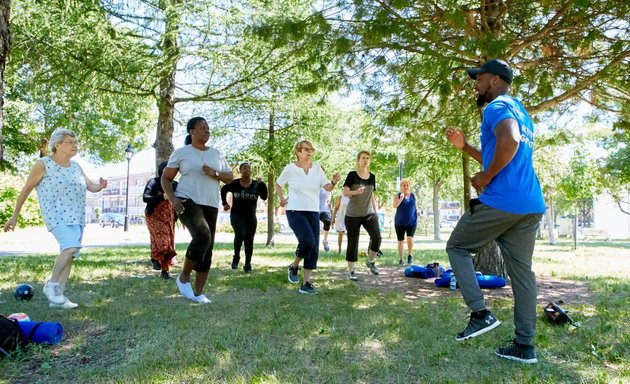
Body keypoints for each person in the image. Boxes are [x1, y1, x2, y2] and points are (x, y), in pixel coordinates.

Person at [445, 58, 545, 364]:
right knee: (522, 274)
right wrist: (465, 147)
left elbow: (509, 141)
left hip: (502, 200)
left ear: (495, 80)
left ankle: (481, 313)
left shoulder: (497, 106)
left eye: (480, 77)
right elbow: (503, 152)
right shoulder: (521, 112)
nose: (475, 82)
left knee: (458, 246)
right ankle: (524, 346)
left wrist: (485, 179)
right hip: (530, 205)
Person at [3, 129, 107, 309]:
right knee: (70, 247)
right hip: (56, 215)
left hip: (77, 216)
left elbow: (90, 185)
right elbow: (27, 189)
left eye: (75, 142)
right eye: (70, 142)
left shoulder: (76, 166)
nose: (75, 145)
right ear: (57, 145)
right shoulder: (43, 164)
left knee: (70, 255)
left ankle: (58, 299)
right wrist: (15, 215)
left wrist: (101, 186)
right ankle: (51, 286)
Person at [162, 117, 233, 304]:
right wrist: (173, 198)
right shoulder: (181, 153)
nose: (207, 131)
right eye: (202, 128)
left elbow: (229, 177)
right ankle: (184, 277)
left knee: (207, 248)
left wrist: (215, 173)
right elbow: (166, 178)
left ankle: (198, 293)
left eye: (208, 128)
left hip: (210, 203)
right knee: (203, 235)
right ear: (191, 131)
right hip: (186, 200)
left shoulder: (216, 154)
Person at [275, 140, 340, 294]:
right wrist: (281, 198)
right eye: (306, 149)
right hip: (295, 211)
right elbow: (278, 184)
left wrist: (334, 181)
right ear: (298, 152)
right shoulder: (290, 168)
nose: (309, 152)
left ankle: (306, 283)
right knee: (307, 241)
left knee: (313, 247)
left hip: (313, 211)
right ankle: (294, 265)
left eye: (311, 149)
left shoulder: (317, 169)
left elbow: (327, 187)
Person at [220, 162, 268, 273]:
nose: (247, 170)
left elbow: (264, 196)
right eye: (244, 168)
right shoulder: (235, 183)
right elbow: (223, 190)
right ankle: (236, 256)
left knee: (249, 240)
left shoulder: (257, 184)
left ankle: (248, 264)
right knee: (240, 234)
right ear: (240, 171)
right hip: (237, 215)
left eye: (249, 168)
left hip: (251, 217)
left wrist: (262, 184)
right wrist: (224, 203)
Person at [342, 150, 381, 280]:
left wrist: (376, 211)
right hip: (353, 214)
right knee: (353, 242)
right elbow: (345, 192)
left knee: (377, 237)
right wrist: (356, 192)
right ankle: (352, 271)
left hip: (369, 213)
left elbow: (372, 195)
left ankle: (370, 261)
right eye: (363, 158)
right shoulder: (352, 175)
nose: (365, 160)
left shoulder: (372, 177)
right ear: (358, 160)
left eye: (367, 158)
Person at [143, 161, 178, 279]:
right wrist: (161, 197)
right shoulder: (153, 182)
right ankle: (155, 257)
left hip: (169, 217)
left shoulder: (175, 185)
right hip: (154, 216)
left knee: (168, 243)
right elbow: (145, 197)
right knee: (163, 241)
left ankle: (165, 270)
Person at [393, 179, 418, 265]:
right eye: (404, 185)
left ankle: (410, 255)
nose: (406, 187)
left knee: (410, 238)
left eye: (407, 185)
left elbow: (415, 206)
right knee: (400, 240)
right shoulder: (398, 195)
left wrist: (418, 213)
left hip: (412, 221)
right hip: (399, 222)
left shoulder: (413, 196)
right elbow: (394, 205)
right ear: (401, 187)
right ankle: (401, 259)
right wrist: (401, 199)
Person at [319, 188, 332, 252]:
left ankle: (325, 240)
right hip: (313, 209)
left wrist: (329, 201)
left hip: (324, 209)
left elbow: (329, 193)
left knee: (327, 221)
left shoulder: (327, 184)